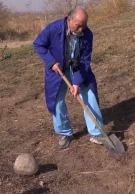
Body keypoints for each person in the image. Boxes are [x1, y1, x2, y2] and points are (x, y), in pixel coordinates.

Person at [33, 8, 105, 149]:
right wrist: (51, 62)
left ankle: (96, 133)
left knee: (89, 95)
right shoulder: (54, 28)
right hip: (58, 68)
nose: (81, 28)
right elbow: (38, 44)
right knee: (57, 101)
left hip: (78, 68)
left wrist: (77, 82)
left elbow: (84, 61)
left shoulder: (87, 34)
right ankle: (65, 133)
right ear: (68, 19)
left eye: (84, 25)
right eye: (78, 25)